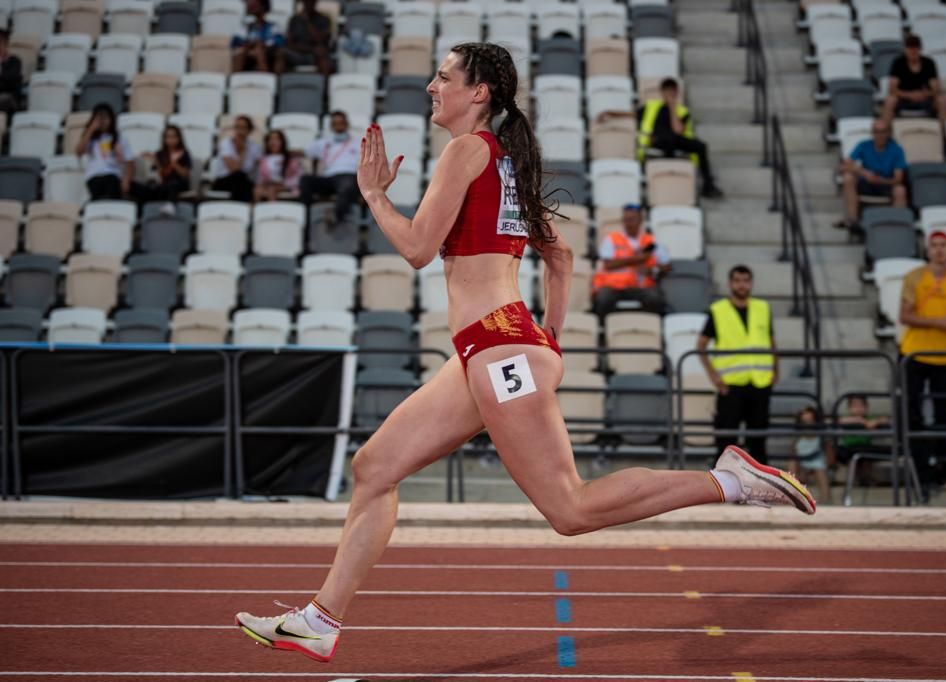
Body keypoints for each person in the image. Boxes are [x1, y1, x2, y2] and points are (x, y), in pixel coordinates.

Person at [234, 42, 816, 663]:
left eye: (444, 76)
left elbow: (417, 249)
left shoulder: (467, 151)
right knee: (374, 468)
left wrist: (375, 195)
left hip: (497, 348)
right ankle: (321, 620)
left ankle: (731, 482)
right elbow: (559, 258)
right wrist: (549, 341)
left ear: (477, 92)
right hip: (492, 348)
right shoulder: (502, 159)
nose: (432, 85)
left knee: (570, 508)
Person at [899, 231, 946, 500]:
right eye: (934, 246)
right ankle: (920, 473)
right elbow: (905, 316)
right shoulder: (915, 277)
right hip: (914, 353)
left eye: (943, 246)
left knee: (943, 417)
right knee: (914, 416)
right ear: (928, 250)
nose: (939, 251)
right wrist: (942, 324)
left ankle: (941, 470)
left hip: (945, 356)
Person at [696, 265, 779, 465]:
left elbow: (771, 341)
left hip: (760, 382)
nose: (742, 285)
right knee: (726, 438)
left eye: (746, 281)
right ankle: (722, 484)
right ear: (730, 283)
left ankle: (761, 485)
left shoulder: (763, 308)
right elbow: (701, 346)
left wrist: (776, 370)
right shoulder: (718, 311)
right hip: (730, 383)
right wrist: (714, 376)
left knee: (758, 438)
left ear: (751, 283)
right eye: (737, 281)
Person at [598, 77, 724, 199]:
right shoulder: (651, 107)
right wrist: (609, 112)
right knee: (667, 139)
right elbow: (631, 114)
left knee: (700, 146)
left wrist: (672, 107)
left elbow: (678, 130)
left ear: (677, 93)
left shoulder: (682, 111)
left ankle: (708, 185)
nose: (669, 94)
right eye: (667, 91)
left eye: (672, 92)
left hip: (676, 141)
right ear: (662, 92)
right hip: (656, 141)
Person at [590, 203, 672, 318]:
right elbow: (608, 265)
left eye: (632, 219)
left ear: (640, 220)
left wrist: (653, 270)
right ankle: (605, 327)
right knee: (603, 298)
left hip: (641, 286)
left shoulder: (650, 241)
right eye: (626, 219)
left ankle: (650, 326)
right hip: (614, 286)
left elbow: (667, 265)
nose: (628, 223)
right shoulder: (612, 239)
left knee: (655, 299)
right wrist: (636, 259)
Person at [835, 118, 908, 230]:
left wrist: (879, 180)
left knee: (900, 190)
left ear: (889, 133)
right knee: (848, 178)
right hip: (866, 183)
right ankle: (852, 220)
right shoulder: (864, 145)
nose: (879, 135)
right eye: (876, 132)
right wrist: (864, 172)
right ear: (872, 133)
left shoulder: (897, 150)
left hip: (886, 184)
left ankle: (898, 225)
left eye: (883, 132)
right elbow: (844, 166)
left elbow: (898, 178)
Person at [299, 110, 360, 224]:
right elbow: (304, 152)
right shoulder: (324, 142)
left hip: (348, 175)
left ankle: (336, 216)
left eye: (341, 122)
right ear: (331, 126)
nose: (338, 125)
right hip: (329, 178)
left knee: (347, 184)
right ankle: (309, 215)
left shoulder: (358, 143)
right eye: (335, 123)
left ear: (346, 124)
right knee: (305, 180)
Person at [881, 34, 946, 128]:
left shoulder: (929, 63)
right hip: (903, 100)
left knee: (942, 100)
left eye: (916, 48)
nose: (913, 51)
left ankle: (944, 137)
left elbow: (936, 88)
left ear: (920, 49)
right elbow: (892, 89)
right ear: (905, 49)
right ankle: (885, 134)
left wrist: (926, 94)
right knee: (890, 100)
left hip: (925, 99)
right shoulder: (898, 63)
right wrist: (910, 95)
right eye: (910, 48)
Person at [76, 103, 135, 201]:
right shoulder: (91, 139)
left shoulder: (121, 139)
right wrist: (91, 129)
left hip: (113, 176)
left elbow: (130, 163)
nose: (103, 122)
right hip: (94, 176)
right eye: (100, 119)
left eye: (106, 118)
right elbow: (78, 152)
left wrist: (126, 181)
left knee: (111, 184)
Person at [134, 124, 193, 206]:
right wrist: (156, 161)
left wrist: (174, 163)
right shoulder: (160, 154)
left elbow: (185, 175)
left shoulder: (184, 153)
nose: (171, 139)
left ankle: (170, 206)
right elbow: (162, 175)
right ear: (164, 139)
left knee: (173, 184)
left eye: (174, 137)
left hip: (180, 184)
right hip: (165, 184)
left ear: (179, 138)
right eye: (168, 137)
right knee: (148, 188)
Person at [212, 115, 262, 202]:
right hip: (224, 180)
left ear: (249, 130)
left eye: (243, 127)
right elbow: (234, 169)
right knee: (239, 177)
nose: (239, 131)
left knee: (244, 182)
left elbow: (258, 169)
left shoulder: (255, 147)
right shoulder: (226, 144)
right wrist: (242, 151)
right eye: (237, 127)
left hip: (245, 182)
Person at [789, 406, 831, 506]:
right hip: (802, 468)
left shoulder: (822, 439)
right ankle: (792, 496)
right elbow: (793, 455)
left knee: (820, 471)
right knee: (792, 461)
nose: (808, 425)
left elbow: (830, 459)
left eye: (810, 421)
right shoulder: (798, 440)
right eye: (804, 422)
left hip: (818, 467)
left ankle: (825, 500)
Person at [276, 0, 332, 76]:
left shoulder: (324, 19)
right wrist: (307, 49)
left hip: (315, 55)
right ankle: (278, 83)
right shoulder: (294, 20)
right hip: (298, 53)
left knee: (322, 53)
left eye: (310, 1)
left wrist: (307, 22)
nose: (308, 3)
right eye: (306, 1)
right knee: (281, 53)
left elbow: (320, 40)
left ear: (315, 2)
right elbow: (289, 42)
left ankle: (325, 85)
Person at [835, 394, 891, 466]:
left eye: (861, 405)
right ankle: (856, 476)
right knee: (850, 457)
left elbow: (886, 419)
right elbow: (840, 421)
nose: (858, 408)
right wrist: (860, 420)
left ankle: (866, 477)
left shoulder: (869, 418)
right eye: (854, 406)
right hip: (850, 447)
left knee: (867, 458)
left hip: (866, 447)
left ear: (866, 407)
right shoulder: (848, 418)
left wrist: (876, 421)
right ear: (849, 408)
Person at [231, 0, 284, 73]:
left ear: (263, 7)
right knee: (240, 52)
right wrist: (250, 46)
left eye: (256, 4)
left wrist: (261, 44)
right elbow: (236, 42)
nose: (252, 6)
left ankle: (265, 79)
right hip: (247, 54)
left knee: (259, 50)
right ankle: (235, 79)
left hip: (267, 55)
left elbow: (279, 42)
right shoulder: (245, 27)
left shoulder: (273, 26)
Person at [254, 129, 303, 202]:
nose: (273, 142)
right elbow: (260, 178)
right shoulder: (264, 160)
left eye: (276, 139)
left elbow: (300, 176)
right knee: (257, 190)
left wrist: (284, 183)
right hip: (268, 185)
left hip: (287, 186)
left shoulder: (291, 159)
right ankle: (257, 211)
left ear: (282, 142)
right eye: (270, 139)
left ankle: (272, 211)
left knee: (272, 189)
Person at [0, 30, 22, 118]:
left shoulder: (15, 61)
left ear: (6, 44)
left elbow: (10, 81)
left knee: (5, 98)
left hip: (9, 98)